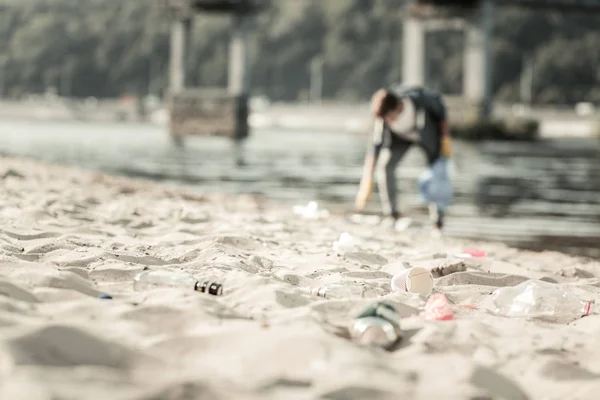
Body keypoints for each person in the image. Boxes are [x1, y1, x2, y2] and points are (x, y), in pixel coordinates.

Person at [355, 86, 453, 230]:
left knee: (437, 173)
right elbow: (375, 147)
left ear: (398, 108)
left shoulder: (420, 100)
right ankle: (392, 215)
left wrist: (445, 137)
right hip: (400, 139)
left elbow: (440, 110)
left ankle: (438, 219)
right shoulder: (384, 120)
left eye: (389, 117)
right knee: (385, 166)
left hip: (427, 135)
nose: (387, 121)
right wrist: (367, 179)